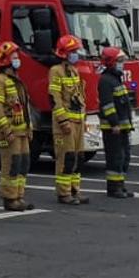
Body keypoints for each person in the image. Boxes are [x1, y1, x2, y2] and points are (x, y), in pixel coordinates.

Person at [0, 42, 34, 211]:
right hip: (10, 133)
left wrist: (29, 128)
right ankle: (9, 198)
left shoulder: (15, 80)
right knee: (11, 164)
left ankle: (18, 196)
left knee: (23, 163)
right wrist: (6, 131)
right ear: (6, 60)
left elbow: (24, 106)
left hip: (21, 131)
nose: (17, 60)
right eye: (14, 57)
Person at [48, 34, 89, 205]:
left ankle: (75, 189)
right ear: (64, 53)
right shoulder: (55, 71)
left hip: (78, 121)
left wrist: (84, 118)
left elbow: (80, 96)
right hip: (65, 124)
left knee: (78, 158)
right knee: (66, 157)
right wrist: (63, 120)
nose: (76, 54)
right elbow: (54, 97)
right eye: (73, 51)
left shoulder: (74, 71)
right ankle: (64, 193)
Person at [97, 47, 136, 199]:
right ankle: (114, 188)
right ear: (111, 63)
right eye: (120, 61)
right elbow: (108, 105)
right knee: (115, 158)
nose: (123, 64)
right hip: (113, 128)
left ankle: (121, 185)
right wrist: (114, 123)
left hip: (122, 127)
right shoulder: (106, 81)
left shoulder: (116, 79)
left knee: (124, 156)